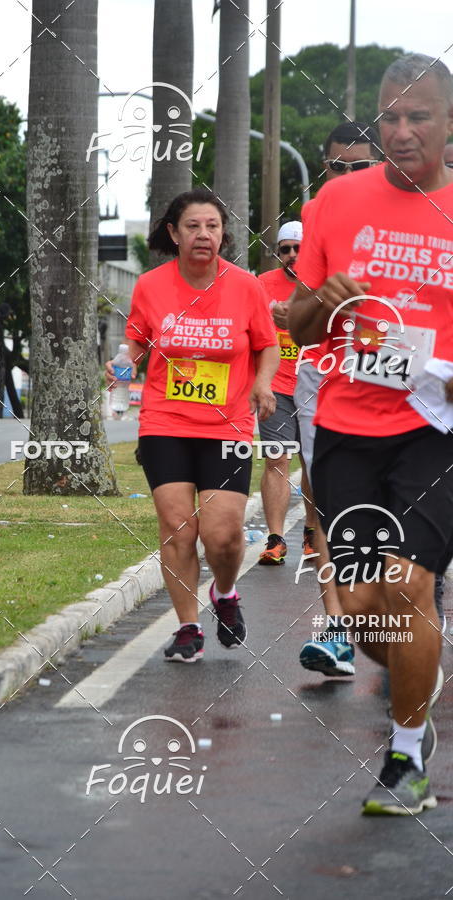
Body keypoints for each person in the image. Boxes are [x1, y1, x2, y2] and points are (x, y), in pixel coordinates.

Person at [289, 54, 453, 815]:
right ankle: (422, 663)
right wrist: (321, 301)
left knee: (408, 583)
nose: (401, 130)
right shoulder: (336, 201)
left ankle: (406, 757)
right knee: (363, 612)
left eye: (418, 116)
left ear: (449, 125)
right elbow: (295, 325)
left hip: (435, 427)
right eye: (390, 115)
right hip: (347, 424)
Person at [106, 187, 279, 661]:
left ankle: (224, 592)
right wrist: (124, 365)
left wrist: (263, 384)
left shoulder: (246, 286)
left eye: (213, 227)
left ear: (223, 234)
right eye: (193, 227)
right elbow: (137, 343)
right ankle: (187, 627)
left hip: (227, 426)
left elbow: (267, 344)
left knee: (222, 535)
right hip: (165, 420)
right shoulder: (151, 286)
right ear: (173, 233)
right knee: (178, 527)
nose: (204, 235)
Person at [296, 121, 382, 676]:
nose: (345, 178)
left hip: (408, 390)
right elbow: (305, 321)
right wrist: (313, 305)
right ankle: (337, 633)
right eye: (336, 167)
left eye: (358, 167)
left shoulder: (421, 207)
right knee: (328, 505)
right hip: (329, 377)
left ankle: (406, 622)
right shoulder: (317, 215)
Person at [257, 222, 317, 565]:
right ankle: (276, 539)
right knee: (277, 460)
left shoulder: (323, 283)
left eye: (298, 248)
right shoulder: (263, 285)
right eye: (285, 249)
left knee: (312, 462)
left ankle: (311, 533)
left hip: (316, 385)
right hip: (276, 388)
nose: (292, 255)